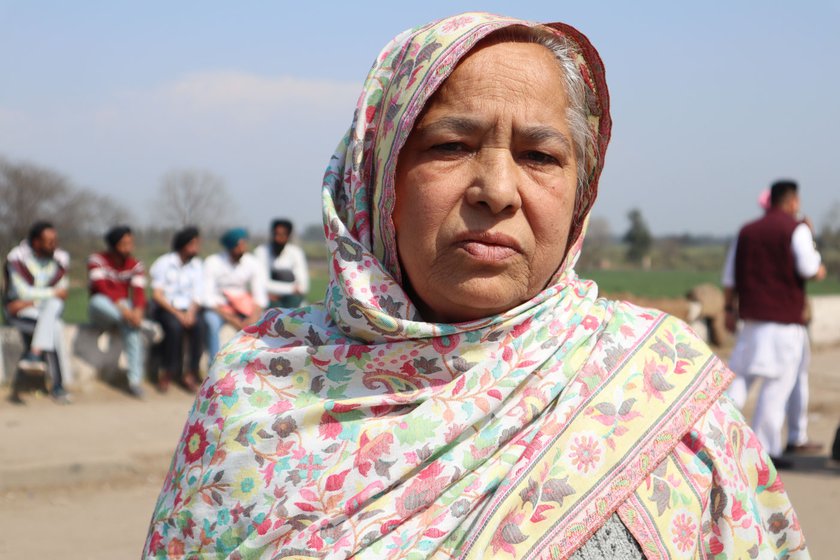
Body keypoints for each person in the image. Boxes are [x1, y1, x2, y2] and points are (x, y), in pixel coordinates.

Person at [146, 13, 807, 559]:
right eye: (452, 145)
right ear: (377, 180)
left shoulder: (659, 387)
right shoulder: (261, 393)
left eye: (540, 156)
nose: (496, 190)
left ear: (580, 195)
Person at [723, 180, 826, 466]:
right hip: (784, 323)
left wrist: (728, 310)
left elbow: (730, 277)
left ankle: (718, 430)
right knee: (776, 385)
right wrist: (818, 263)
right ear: (793, 202)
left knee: (740, 379)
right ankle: (765, 449)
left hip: (752, 320)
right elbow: (808, 268)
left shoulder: (746, 231)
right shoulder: (797, 229)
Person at [4, 221, 71, 404]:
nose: (54, 244)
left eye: (55, 240)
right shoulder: (17, 259)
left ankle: (34, 354)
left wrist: (31, 300)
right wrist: (48, 294)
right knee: (54, 326)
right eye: (49, 241)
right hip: (19, 314)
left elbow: (63, 292)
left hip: (40, 309)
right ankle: (59, 387)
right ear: (36, 242)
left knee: (53, 311)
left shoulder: (60, 259)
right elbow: (21, 292)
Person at [88, 225, 158, 398]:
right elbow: (102, 289)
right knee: (98, 301)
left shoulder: (135, 265)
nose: (128, 248)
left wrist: (138, 312)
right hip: (103, 311)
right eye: (123, 244)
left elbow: (139, 294)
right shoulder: (97, 260)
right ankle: (144, 325)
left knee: (133, 333)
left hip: (124, 313)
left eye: (130, 243)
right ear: (113, 246)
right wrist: (126, 312)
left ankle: (135, 382)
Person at [149, 226, 204, 392]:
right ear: (184, 244)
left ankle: (191, 372)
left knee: (200, 327)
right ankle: (168, 371)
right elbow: (157, 295)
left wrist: (191, 313)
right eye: (193, 244)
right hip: (168, 309)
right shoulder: (164, 263)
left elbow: (198, 294)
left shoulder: (197, 265)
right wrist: (178, 314)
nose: (196, 248)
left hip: (189, 310)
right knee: (173, 327)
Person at [201, 228, 267, 361]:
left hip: (244, 306)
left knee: (264, 321)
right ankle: (214, 362)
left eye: (244, 244)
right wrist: (233, 319)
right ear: (231, 246)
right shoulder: (213, 262)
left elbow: (260, 296)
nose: (243, 248)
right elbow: (207, 297)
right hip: (220, 308)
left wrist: (251, 319)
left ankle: (257, 361)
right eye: (239, 245)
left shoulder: (252, 263)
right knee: (211, 322)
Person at [254, 218, 309, 308]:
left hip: (292, 301)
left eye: (282, 235)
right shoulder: (261, 252)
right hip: (268, 300)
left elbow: (303, 286)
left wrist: (279, 292)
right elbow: (262, 283)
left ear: (288, 236)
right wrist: (291, 288)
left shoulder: (296, 253)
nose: (278, 239)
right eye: (276, 234)